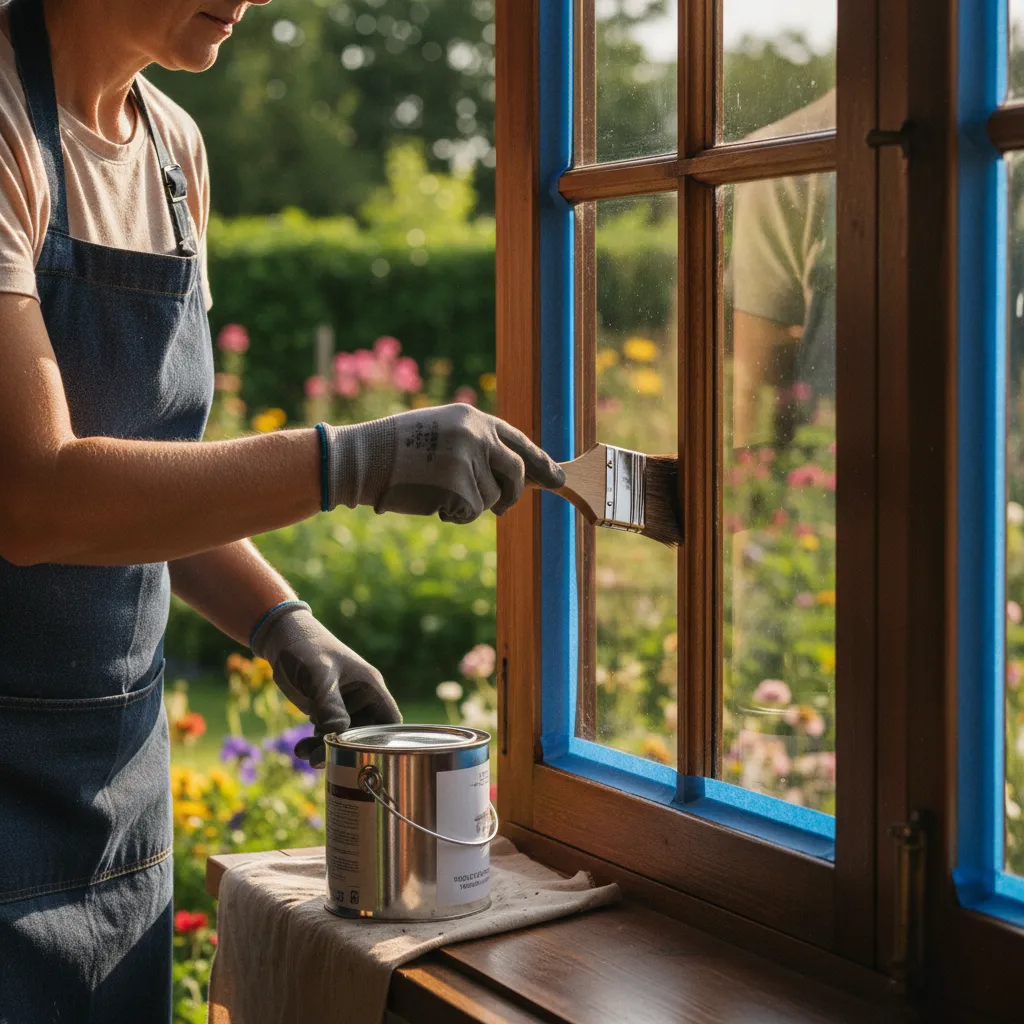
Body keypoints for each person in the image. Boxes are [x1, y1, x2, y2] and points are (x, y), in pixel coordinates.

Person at [0, 1, 564, 1019]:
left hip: (115, 796)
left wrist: (279, 619)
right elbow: (35, 497)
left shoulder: (174, 151)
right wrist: (351, 458)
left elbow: (155, 479)